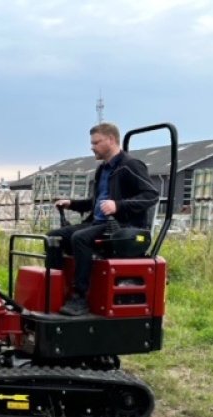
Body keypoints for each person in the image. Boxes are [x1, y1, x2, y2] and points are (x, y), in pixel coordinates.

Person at [49, 122, 159, 316]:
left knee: (80, 238)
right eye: (92, 143)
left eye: (96, 142)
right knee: (54, 237)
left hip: (121, 226)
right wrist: (72, 203)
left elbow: (151, 195)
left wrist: (119, 205)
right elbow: (98, 202)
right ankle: (57, 289)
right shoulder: (103, 169)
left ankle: (80, 298)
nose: (92, 147)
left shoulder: (130, 165)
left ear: (111, 140)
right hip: (99, 223)